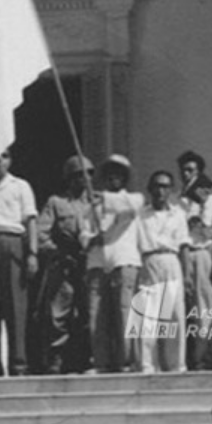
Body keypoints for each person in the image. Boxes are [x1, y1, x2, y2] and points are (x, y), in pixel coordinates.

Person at [35, 157, 95, 375]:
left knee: (91, 312)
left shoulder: (98, 204)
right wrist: (57, 252)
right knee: (58, 314)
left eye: (88, 174)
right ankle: (56, 357)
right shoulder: (56, 202)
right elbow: (41, 234)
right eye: (79, 175)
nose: (84, 179)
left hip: (91, 265)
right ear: (69, 178)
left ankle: (89, 356)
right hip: (64, 263)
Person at [87, 156, 144, 373]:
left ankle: (126, 361)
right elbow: (85, 232)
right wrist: (92, 238)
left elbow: (126, 209)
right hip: (97, 262)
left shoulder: (134, 199)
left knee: (124, 313)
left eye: (119, 174)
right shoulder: (94, 206)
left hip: (124, 260)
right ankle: (100, 361)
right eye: (110, 173)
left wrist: (103, 198)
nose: (114, 178)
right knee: (97, 315)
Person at [132, 170, 190, 372]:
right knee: (148, 315)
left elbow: (184, 245)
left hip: (171, 260)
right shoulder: (140, 215)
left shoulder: (178, 214)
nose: (160, 191)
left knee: (175, 315)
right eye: (156, 186)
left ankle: (176, 365)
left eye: (165, 187)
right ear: (149, 189)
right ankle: (148, 364)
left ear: (171, 190)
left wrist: (188, 272)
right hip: (149, 260)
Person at [0, 152, 38, 377]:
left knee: (16, 305)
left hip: (12, 242)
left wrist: (32, 253)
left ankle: (18, 363)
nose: (0, 161)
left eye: (5, 156)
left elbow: (31, 221)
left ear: (11, 160)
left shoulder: (20, 186)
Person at [177, 151, 212, 370]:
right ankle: (182, 358)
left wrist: (197, 214)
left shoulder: (209, 199)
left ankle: (204, 357)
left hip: (201, 253)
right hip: (179, 255)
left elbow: (208, 232)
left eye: (191, 170)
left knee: (204, 308)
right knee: (180, 308)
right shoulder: (177, 200)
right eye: (184, 170)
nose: (187, 174)